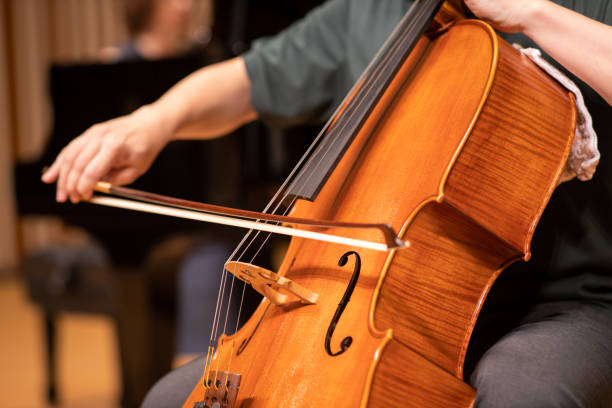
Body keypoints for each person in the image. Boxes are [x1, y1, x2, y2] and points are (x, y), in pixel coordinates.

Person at [42, 0, 612, 406]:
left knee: (521, 391)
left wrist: (535, 13)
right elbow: (246, 80)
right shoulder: (368, 12)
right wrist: (152, 123)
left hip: (565, 303)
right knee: (173, 397)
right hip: (371, 301)